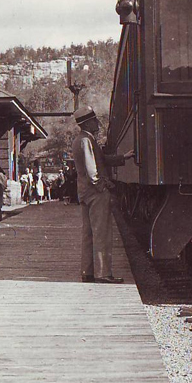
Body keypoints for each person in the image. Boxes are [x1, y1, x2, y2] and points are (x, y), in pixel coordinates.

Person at [70, 107, 123, 284]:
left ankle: (88, 272)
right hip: (95, 193)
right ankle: (103, 274)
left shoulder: (80, 140)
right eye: (94, 120)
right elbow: (92, 169)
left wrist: (124, 157)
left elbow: (100, 159)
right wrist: (103, 185)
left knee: (88, 234)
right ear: (87, 123)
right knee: (102, 233)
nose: (97, 123)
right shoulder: (86, 140)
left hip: (84, 192)